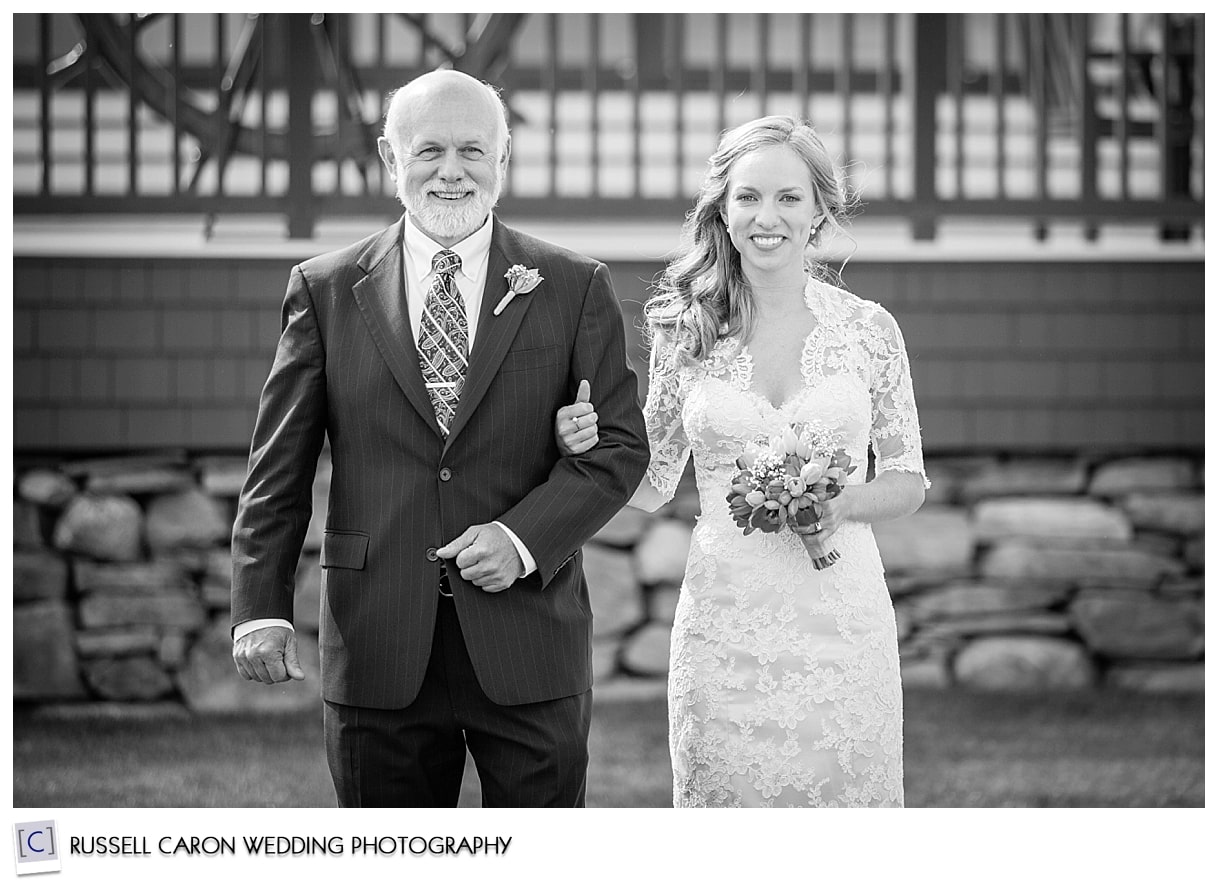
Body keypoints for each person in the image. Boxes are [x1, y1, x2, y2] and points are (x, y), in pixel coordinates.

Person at [230, 69, 650, 808]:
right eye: (428, 151)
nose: (451, 172)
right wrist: (260, 605)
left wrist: (520, 539)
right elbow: (280, 469)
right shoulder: (325, 290)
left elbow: (618, 447)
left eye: (472, 151)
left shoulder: (573, 285)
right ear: (393, 162)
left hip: (528, 638)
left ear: (502, 162)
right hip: (378, 640)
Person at [556, 115, 928, 807]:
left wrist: (842, 503)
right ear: (721, 211)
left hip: (842, 617)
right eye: (749, 197)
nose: (768, 217)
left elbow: (908, 481)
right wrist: (580, 444)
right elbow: (651, 482)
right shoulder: (686, 330)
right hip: (727, 619)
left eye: (789, 197)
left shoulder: (869, 331)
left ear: (820, 208)